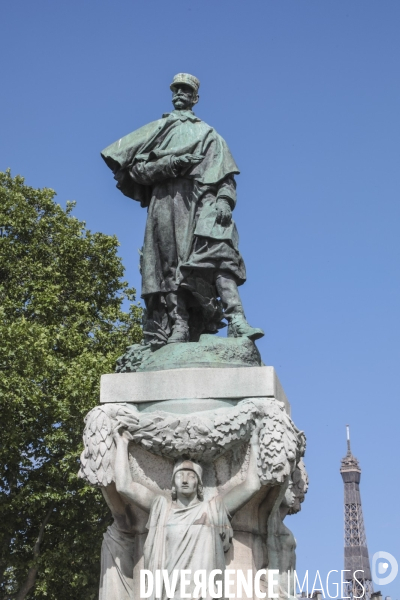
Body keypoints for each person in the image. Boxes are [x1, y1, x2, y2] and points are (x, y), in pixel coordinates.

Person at [102, 73, 264, 346]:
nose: (179, 93)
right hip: (165, 201)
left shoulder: (208, 134)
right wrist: (173, 163)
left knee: (220, 256)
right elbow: (138, 170)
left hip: (201, 201)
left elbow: (226, 178)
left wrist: (224, 200)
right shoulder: (158, 129)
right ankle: (179, 326)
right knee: (168, 264)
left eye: (185, 90)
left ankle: (236, 318)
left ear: (195, 97)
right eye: (176, 89)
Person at [113, 424, 262, 600]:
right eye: (179, 475)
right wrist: (122, 443)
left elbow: (251, 486)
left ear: (199, 484)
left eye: (191, 476)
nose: (185, 480)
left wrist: (254, 444)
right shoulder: (161, 509)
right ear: (173, 483)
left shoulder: (213, 509)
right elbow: (124, 486)